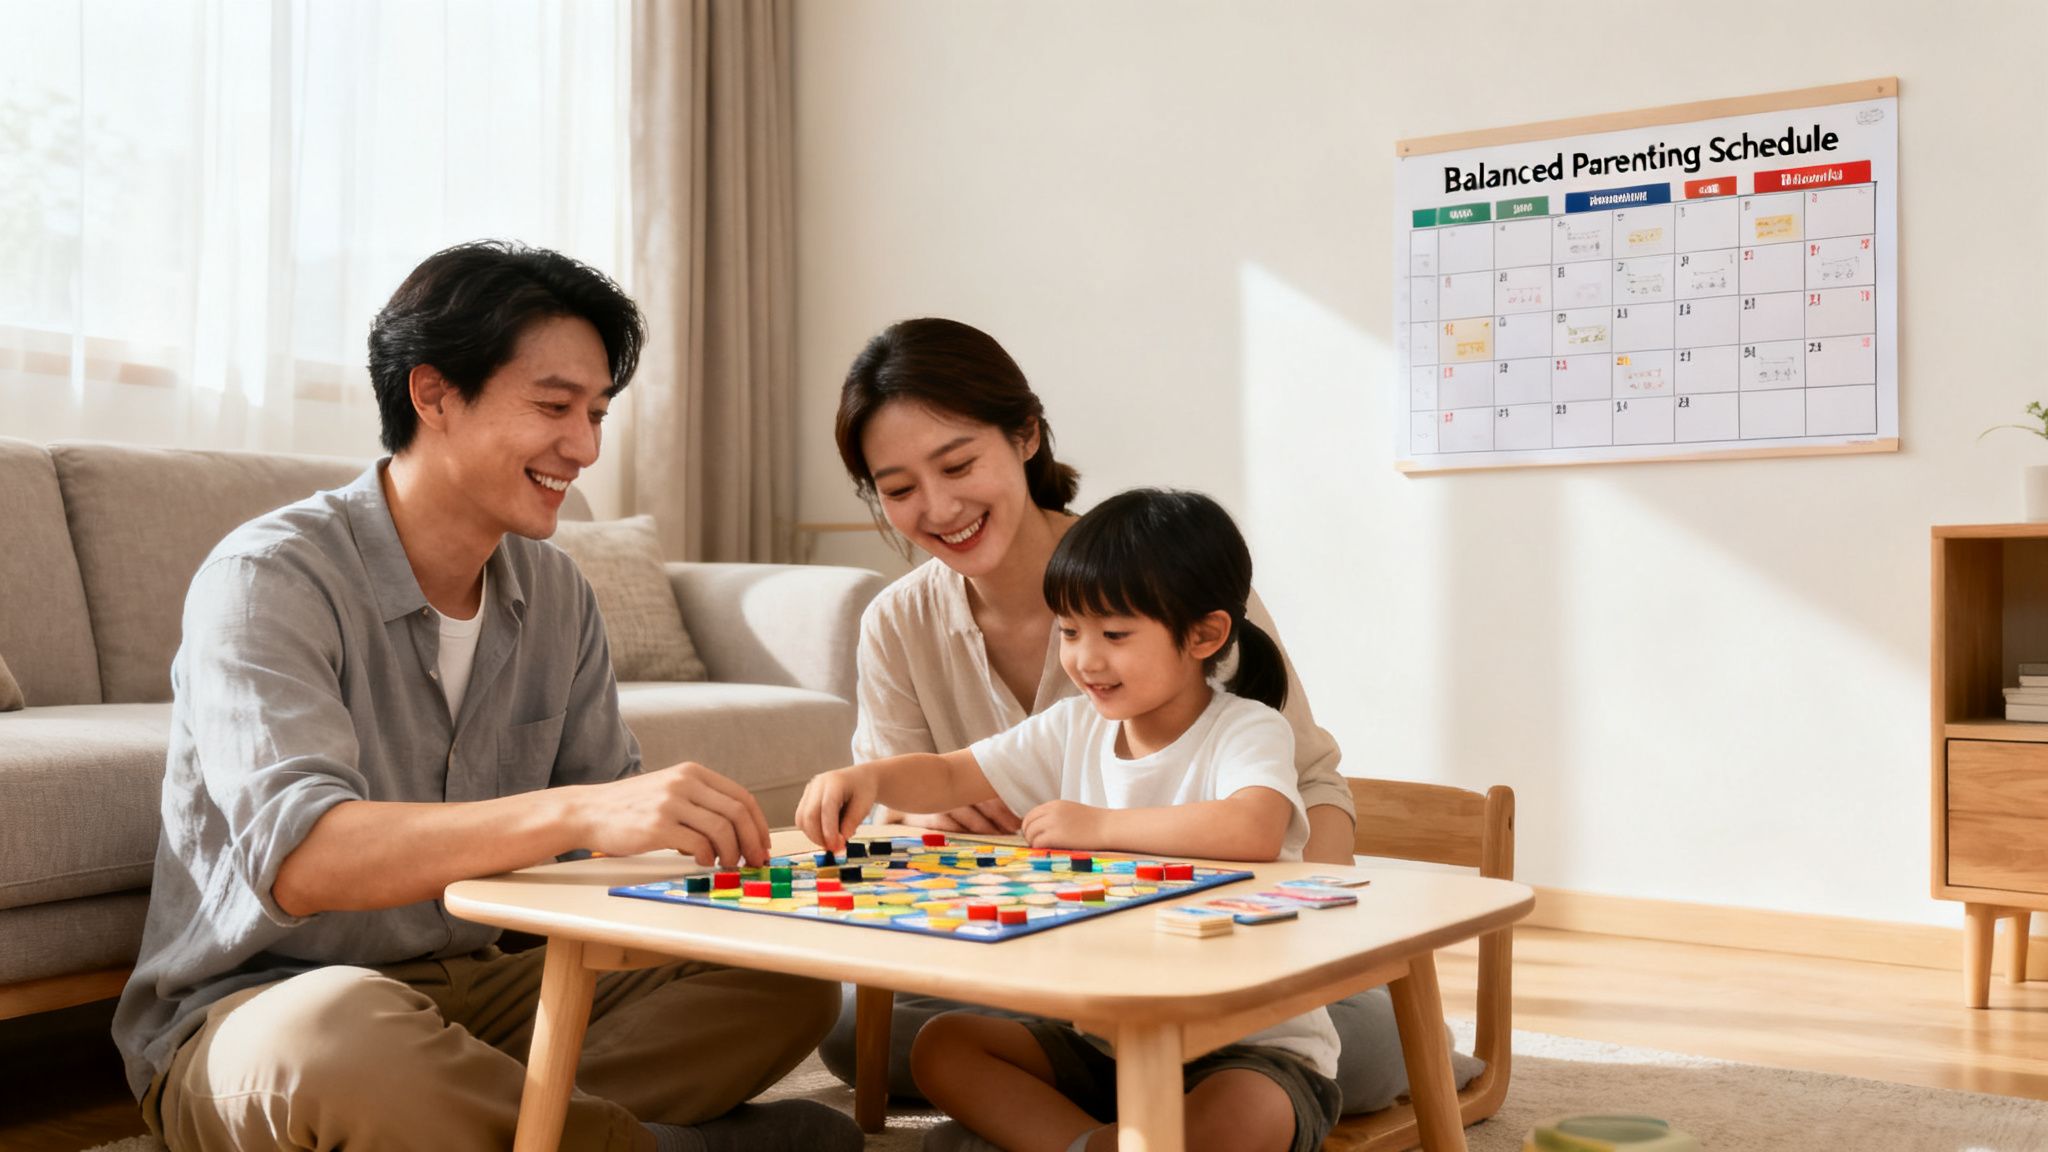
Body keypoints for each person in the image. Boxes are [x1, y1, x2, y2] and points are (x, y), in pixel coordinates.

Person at [111, 241, 861, 1152]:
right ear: (433, 395)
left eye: (596, 413)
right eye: (553, 406)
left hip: (486, 990)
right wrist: (580, 807)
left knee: (787, 976)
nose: (583, 448)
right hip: (264, 1008)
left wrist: (740, 884)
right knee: (337, 1044)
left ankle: (511, 1126)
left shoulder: (555, 593)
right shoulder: (270, 576)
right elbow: (306, 863)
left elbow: (597, 856)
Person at [817, 316, 1479, 1112]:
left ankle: (1138, 1083)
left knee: (1353, 1053)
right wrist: (891, 797)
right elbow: (911, 815)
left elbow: (1308, 794)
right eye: (897, 489)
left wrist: (1286, 935)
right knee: (852, 1029)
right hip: (1024, 951)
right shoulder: (896, 622)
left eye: (958, 463)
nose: (938, 506)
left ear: (1025, 435)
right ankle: (1120, 1094)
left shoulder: (1174, 587)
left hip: (1214, 952)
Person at [800, 488, 1343, 1152]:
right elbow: (948, 774)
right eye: (1069, 631)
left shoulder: (1245, 728)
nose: (1086, 659)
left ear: (1205, 635)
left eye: (1114, 635)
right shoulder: (1071, 728)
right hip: (1104, 1045)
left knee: (1246, 1115)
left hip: (1247, 1047)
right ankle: (1092, 1146)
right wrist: (871, 778)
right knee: (945, 1047)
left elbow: (1251, 828)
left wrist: (1100, 826)